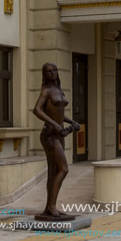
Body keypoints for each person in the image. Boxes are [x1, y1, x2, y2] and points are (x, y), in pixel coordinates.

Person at [33, 62, 80, 219]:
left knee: (53, 172)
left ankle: (49, 207)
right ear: (44, 74)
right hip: (49, 135)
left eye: (54, 70)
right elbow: (37, 110)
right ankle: (52, 205)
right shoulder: (46, 91)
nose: (52, 73)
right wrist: (53, 124)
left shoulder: (58, 89)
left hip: (59, 134)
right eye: (49, 71)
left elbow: (58, 113)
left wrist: (71, 122)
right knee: (63, 168)